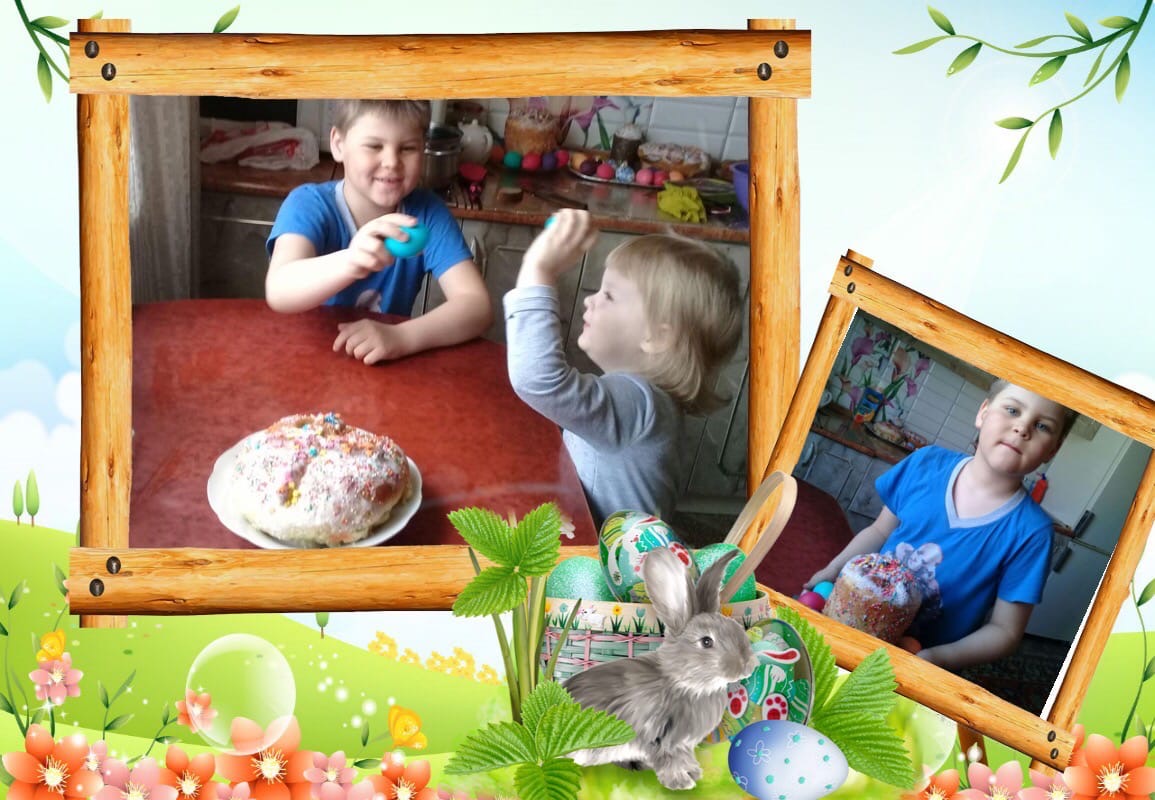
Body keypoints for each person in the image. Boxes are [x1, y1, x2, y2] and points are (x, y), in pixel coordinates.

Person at [805, 379, 1078, 670]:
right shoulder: (925, 463)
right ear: (983, 413)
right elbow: (879, 531)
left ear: (1053, 450)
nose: (1023, 428)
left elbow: (1005, 631)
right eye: (1012, 410)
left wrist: (935, 659)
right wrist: (831, 570)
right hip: (851, 620)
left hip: (914, 665)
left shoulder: (1033, 533)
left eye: (1042, 426)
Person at [504, 209, 742, 525]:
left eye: (609, 295)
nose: (590, 300)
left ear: (657, 337)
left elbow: (537, 378)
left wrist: (538, 271)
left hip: (608, 557)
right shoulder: (649, 400)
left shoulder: (638, 403)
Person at [265, 99, 492, 363]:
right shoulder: (308, 204)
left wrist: (402, 337)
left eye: (408, 148)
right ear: (338, 144)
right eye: (374, 146)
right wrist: (350, 261)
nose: (392, 162)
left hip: (381, 366)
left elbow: (476, 306)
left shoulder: (427, 213)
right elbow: (279, 289)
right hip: (306, 360)